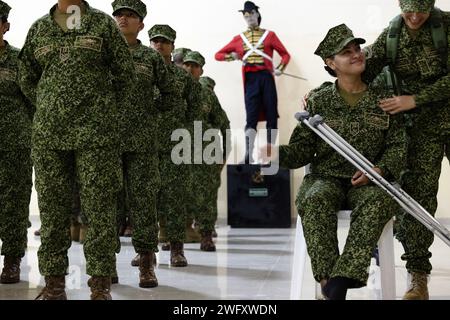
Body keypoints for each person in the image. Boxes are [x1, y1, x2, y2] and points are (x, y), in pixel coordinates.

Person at [262, 24, 407, 300]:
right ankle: (330, 282)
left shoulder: (383, 101)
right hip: (325, 177)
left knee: (379, 201)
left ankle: (340, 280)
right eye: (346, 52)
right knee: (313, 197)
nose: (356, 55)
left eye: (357, 49)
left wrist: (379, 169)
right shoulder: (318, 101)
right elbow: (302, 150)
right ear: (331, 63)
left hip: (368, 180)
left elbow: (398, 147)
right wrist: (276, 154)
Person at [18, 0, 136, 300]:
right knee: (53, 211)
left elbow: (125, 74)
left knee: (99, 209)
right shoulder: (39, 29)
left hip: (95, 134)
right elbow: (27, 78)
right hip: (49, 135)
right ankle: (55, 284)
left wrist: (102, 110)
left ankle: (99, 284)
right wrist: (50, 105)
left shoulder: (102, 24)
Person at [362, 0, 450, 300]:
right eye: (407, 9)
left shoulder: (447, 26)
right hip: (422, 130)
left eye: (420, 11)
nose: (413, 17)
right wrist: (321, 92)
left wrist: (416, 98)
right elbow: (361, 67)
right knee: (418, 198)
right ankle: (418, 277)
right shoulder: (393, 33)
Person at [112, 0, 175, 288]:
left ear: (141, 24)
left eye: (130, 15)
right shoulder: (103, 53)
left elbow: (169, 93)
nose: (123, 19)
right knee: (106, 205)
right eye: (119, 14)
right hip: (106, 141)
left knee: (143, 204)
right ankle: (104, 265)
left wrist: (150, 111)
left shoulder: (149, 59)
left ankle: (146, 265)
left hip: (141, 142)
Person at [148, 24, 202, 266]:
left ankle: (176, 249)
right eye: (155, 40)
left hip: (174, 146)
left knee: (174, 197)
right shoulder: (140, 71)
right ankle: (145, 251)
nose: (159, 45)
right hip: (145, 144)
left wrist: (184, 134)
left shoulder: (182, 77)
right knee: (144, 199)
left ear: (172, 46)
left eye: (165, 41)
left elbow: (195, 108)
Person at [215, 1, 290, 163]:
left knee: (271, 115)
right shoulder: (239, 39)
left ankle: (270, 154)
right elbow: (218, 55)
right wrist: (232, 56)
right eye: (245, 15)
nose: (248, 18)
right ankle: (248, 155)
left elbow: (285, 55)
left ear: (257, 14)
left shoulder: (270, 35)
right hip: (251, 80)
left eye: (251, 14)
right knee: (251, 118)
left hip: (267, 78)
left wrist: (280, 68)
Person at [182, 51, 230, 251]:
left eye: (195, 66)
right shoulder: (174, 90)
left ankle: (206, 234)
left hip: (206, 152)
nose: (190, 69)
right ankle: (175, 236)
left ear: (201, 70)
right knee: (178, 193)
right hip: (179, 150)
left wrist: (223, 156)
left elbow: (224, 124)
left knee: (207, 195)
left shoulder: (207, 94)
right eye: (187, 65)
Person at [0, 0, 33, 285]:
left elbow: (33, 99)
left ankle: (12, 260)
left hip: (14, 144)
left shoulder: (19, 60)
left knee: (14, 203)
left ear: (5, 26)